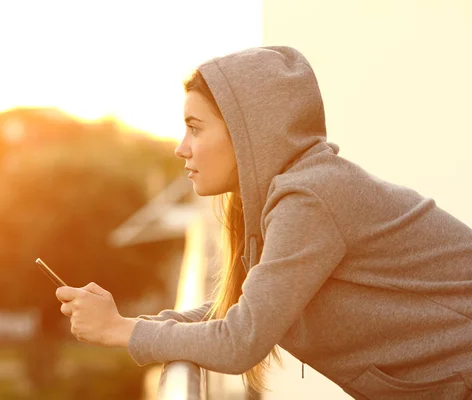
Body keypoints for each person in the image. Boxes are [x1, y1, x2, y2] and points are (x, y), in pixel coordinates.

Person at [56, 46, 472, 399]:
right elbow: (238, 310)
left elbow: (241, 341)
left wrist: (120, 330)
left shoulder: (310, 198)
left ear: (247, 133)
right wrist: (140, 324)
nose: (182, 148)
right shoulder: (289, 195)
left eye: (195, 129)